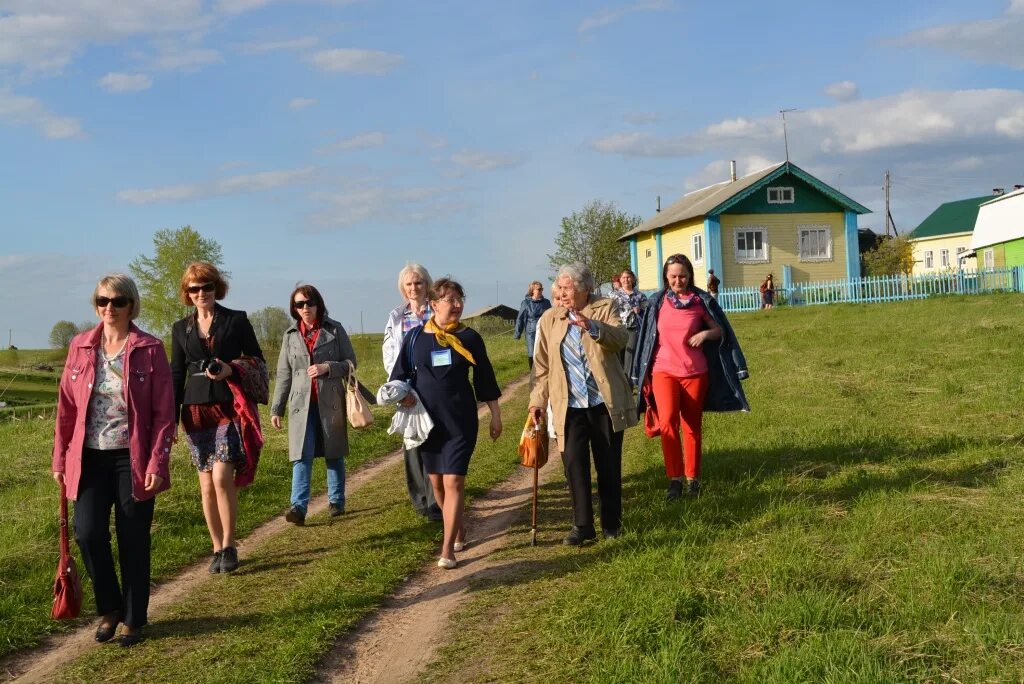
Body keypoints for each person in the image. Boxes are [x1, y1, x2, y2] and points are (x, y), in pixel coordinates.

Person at [52, 274, 175, 647]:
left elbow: (164, 413)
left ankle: (134, 619)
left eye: (118, 301)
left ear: (131, 305)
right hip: (88, 458)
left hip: (132, 459)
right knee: (88, 534)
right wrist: (60, 458)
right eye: (103, 300)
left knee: (132, 538)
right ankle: (110, 608)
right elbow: (66, 408)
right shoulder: (80, 346)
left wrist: (157, 462)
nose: (110, 307)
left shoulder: (150, 348)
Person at [389, 277, 502, 569]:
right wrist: (402, 397)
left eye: (459, 299)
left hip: (460, 420)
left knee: (453, 480)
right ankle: (458, 526)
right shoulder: (415, 338)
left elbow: (485, 379)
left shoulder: (470, 338)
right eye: (450, 300)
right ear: (434, 304)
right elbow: (399, 378)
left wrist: (495, 414)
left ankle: (447, 548)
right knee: (436, 483)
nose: (457, 305)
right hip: (427, 424)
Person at [529, 262, 636, 545]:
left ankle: (612, 524)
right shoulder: (550, 319)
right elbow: (541, 367)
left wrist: (590, 325)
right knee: (574, 464)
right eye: (559, 288)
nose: (561, 293)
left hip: (603, 402)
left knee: (608, 465)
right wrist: (536, 403)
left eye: (567, 288)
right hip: (569, 405)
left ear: (584, 288)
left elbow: (621, 339)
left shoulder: (605, 307)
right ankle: (582, 526)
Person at [171, 262, 265, 574]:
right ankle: (215, 548)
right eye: (194, 289)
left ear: (217, 288)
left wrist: (231, 369)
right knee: (206, 485)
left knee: (223, 477)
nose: (201, 293)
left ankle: (229, 544)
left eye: (207, 287)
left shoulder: (236, 320)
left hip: (228, 406)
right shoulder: (179, 329)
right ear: (187, 293)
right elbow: (175, 375)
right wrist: (170, 419)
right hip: (195, 410)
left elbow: (257, 360)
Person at [631, 254, 750, 500]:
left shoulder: (700, 301)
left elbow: (721, 330)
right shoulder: (657, 302)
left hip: (695, 373)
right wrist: (639, 376)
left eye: (682, 275)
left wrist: (705, 335)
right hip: (663, 371)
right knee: (668, 425)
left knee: (691, 427)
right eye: (673, 276)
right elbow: (645, 339)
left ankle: (693, 479)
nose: (678, 280)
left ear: (690, 276)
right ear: (666, 276)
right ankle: (674, 480)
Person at [271, 285, 357, 525]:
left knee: (334, 452)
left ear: (318, 304)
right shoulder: (290, 336)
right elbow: (283, 374)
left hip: (330, 402)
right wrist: (277, 408)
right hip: (301, 406)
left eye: (309, 303)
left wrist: (328, 367)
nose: (305, 308)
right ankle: (298, 508)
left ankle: (336, 501)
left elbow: (351, 363)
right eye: (299, 304)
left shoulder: (335, 330)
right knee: (301, 455)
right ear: (294, 308)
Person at [382, 263, 442, 521]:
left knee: (436, 441)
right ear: (402, 288)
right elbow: (390, 356)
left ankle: (438, 500)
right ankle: (421, 500)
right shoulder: (396, 317)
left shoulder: (437, 311)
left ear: (426, 285)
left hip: (435, 384)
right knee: (413, 442)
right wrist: (398, 389)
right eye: (409, 284)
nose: (414, 288)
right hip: (408, 387)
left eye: (418, 283)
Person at [610, 268, 647, 372]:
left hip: (633, 329)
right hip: (618, 328)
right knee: (618, 356)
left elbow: (647, 311)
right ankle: (620, 381)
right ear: (620, 280)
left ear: (633, 279)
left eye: (628, 277)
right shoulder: (613, 295)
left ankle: (628, 382)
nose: (626, 280)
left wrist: (640, 310)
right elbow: (609, 311)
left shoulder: (640, 295)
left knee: (629, 356)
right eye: (623, 277)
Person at [513, 281, 552, 370]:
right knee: (532, 354)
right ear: (532, 290)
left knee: (544, 353)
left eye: (542, 289)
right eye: (539, 289)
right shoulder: (526, 303)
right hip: (531, 333)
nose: (541, 291)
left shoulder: (546, 302)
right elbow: (520, 318)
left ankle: (546, 373)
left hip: (544, 332)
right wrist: (517, 333)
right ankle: (533, 375)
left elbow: (551, 316)